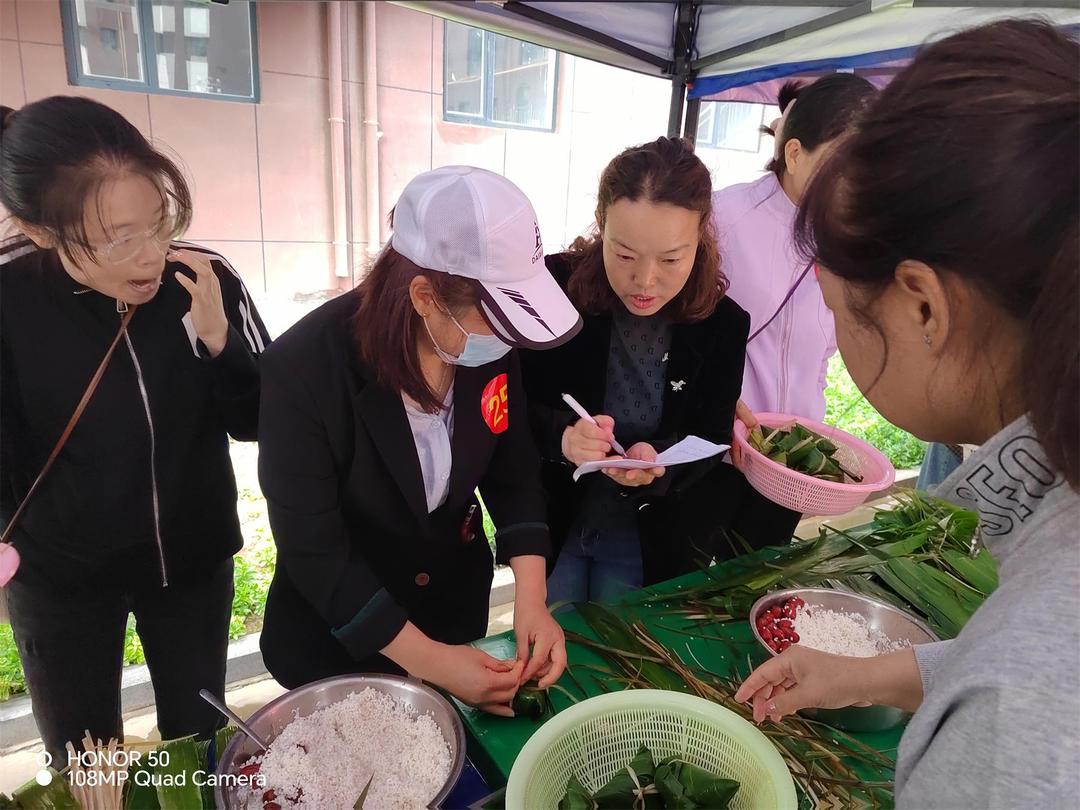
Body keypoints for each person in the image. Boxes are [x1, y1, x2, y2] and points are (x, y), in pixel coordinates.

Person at [735, 20, 1078, 806]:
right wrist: (867, 675)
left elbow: (1023, 681)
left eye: (838, 307)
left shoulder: (1016, 719)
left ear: (922, 305)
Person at [0, 97, 269, 762]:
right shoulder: (9, 299)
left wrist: (221, 345)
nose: (151, 256)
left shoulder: (203, 279)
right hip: (59, 582)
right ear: (39, 230)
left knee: (197, 745)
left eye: (159, 223)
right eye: (118, 237)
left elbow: (260, 420)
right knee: (88, 763)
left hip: (190, 564)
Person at [258, 166, 581, 713]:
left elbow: (513, 466)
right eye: (493, 324)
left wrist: (532, 596)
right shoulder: (304, 369)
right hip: (339, 637)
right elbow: (315, 549)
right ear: (424, 296)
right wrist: (433, 662)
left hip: (452, 603)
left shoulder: (488, 345)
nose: (506, 344)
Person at [521, 137, 750, 604]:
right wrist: (563, 438)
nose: (645, 281)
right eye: (624, 254)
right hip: (554, 523)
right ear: (601, 222)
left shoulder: (724, 325)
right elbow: (507, 402)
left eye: (671, 259)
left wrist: (660, 461)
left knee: (620, 661)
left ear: (701, 234)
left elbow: (711, 433)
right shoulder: (551, 289)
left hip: (650, 536)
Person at [711, 75, 877, 550]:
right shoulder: (723, 220)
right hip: (721, 454)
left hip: (792, 465)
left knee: (756, 577)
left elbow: (822, 353)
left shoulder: (848, 241)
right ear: (794, 153)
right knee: (691, 584)